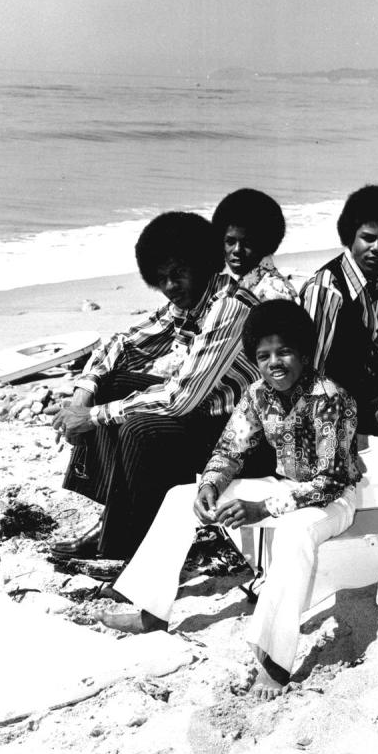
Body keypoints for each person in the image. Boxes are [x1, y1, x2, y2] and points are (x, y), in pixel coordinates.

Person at [98, 300, 362, 699]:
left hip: (333, 501)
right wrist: (210, 484)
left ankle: (274, 661)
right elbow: (230, 449)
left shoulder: (332, 399)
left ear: (305, 353)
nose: (275, 363)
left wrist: (262, 508)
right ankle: (152, 611)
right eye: (264, 355)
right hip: (284, 485)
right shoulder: (258, 393)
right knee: (179, 498)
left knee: (294, 535)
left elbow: (331, 479)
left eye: (285, 352)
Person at [49, 212, 266, 560]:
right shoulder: (192, 301)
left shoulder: (230, 307)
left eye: (178, 274)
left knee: (136, 426)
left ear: (201, 263)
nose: (169, 286)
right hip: (208, 416)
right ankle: (112, 521)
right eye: (161, 278)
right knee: (111, 384)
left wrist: (93, 416)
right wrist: (82, 397)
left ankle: (126, 551)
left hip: (244, 439)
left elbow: (181, 399)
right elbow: (124, 343)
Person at [301, 184, 378, 436]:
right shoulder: (326, 290)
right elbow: (311, 368)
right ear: (350, 236)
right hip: (352, 411)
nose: (377, 247)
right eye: (368, 238)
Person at [212, 188, 298, 302]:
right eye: (230, 242)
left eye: (247, 243)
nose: (237, 250)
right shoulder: (243, 284)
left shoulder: (273, 293)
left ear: (265, 244)